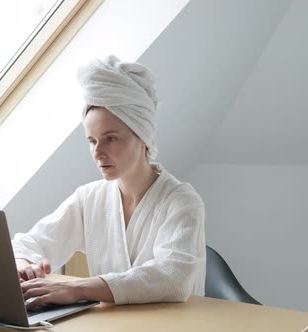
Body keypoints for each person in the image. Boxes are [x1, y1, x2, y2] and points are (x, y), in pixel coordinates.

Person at [12, 55, 205, 310]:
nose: (98, 152)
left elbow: (174, 277)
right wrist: (26, 265)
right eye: (92, 141)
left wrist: (77, 288)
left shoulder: (182, 201)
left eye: (110, 138)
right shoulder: (89, 198)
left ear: (142, 136)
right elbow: (27, 243)